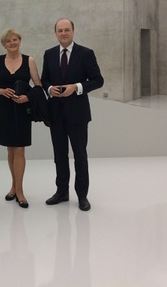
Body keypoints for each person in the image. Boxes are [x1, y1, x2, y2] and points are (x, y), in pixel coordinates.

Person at [41, 18, 104, 211]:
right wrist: (49, 89)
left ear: (73, 31)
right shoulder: (49, 54)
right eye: (60, 30)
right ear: (55, 33)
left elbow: (98, 80)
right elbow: (44, 79)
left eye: (66, 30)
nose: (63, 33)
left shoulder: (86, 53)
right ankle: (62, 192)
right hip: (56, 114)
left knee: (80, 156)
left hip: (78, 114)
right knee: (59, 155)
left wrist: (76, 87)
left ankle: (82, 196)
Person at [0, 28, 42, 209]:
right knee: (10, 150)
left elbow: (38, 86)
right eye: (8, 41)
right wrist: (0, 90)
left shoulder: (30, 61)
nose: (12, 43)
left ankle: (20, 191)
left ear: (19, 41)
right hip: (4, 109)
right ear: (3, 44)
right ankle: (13, 186)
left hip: (22, 109)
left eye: (15, 40)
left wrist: (27, 97)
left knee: (19, 149)